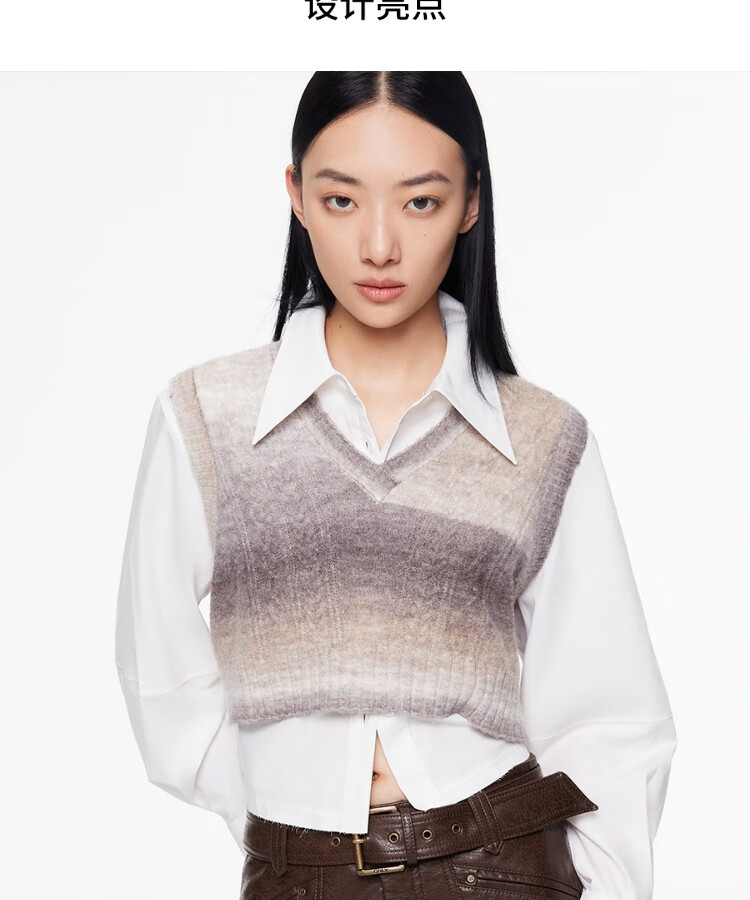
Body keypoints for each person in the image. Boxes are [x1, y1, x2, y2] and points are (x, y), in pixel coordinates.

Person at [115, 71, 677, 899]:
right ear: (297, 196)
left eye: (420, 201)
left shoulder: (542, 437)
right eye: (342, 200)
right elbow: (157, 669)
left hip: (503, 866)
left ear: (471, 201)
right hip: (296, 876)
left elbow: (611, 715)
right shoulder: (208, 416)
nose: (379, 246)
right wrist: (282, 811)